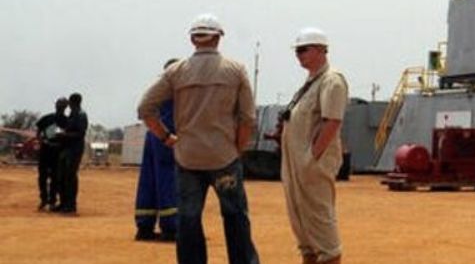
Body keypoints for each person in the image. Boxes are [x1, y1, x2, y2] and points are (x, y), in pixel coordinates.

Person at [138, 14, 260, 264]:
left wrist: (166, 137)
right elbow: (247, 118)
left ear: (193, 39)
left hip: (188, 158)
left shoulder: (176, 72)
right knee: (236, 216)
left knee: (189, 219)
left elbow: (144, 108)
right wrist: (237, 149)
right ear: (218, 38)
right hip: (224, 157)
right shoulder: (235, 70)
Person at [280, 28, 348, 264]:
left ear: (320, 50)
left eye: (303, 50)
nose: (298, 55)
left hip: (312, 166)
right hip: (296, 167)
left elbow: (332, 121)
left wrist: (312, 158)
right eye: (297, 51)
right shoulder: (311, 83)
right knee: (304, 229)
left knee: (321, 227)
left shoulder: (332, 81)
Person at [135, 59, 181, 241]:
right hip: (168, 135)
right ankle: (171, 227)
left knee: (149, 181)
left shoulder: (157, 88)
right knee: (168, 179)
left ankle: (144, 226)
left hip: (153, 134)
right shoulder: (177, 90)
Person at [53, 92, 88, 214]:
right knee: (61, 176)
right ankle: (63, 203)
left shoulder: (81, 115)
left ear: (73, 102)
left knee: (70, 177)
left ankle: (71, 205)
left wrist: (64, 135)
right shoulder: (72, 115)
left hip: (75, 149)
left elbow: (80, 134)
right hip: (66, 148)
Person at [35, 97, 68, 211]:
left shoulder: (67, 121)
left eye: (62, 105)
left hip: (58, 152)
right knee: (42, 176)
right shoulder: (47, 118)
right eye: (59, 104)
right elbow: (38, 133)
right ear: (55, 105)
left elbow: (68, 137)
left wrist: (61, 143)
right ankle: (43, 199)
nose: (60, 107)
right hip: (45, 150)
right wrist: (43, 141)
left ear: (65, 107)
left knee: (55, 177)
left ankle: (52, 200)